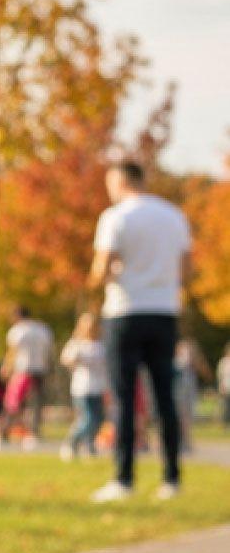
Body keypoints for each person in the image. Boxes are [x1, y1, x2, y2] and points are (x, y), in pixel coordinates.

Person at [88, 159, 192, 502]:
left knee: (124, 398)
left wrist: (102, 277)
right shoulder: (174, 216)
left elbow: (101, 270)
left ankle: (124, 479)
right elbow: (186, 269)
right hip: (164, 312)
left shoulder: (115, 217)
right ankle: (172, 478)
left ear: (119, 181)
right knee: (165, 397)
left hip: (125, 312)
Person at [0, 305, 53, 449]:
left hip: (22, 370)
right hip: (39, 370)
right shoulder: (42, 329)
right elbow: (48, 351)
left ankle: (2, 432)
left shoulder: (17, 331)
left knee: (13, 402)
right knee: (36, 404)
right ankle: (33, 433)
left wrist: (6, 367)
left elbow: (13, 351)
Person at [59, 312, 107, 461]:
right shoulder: (77, 344)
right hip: (82, 388)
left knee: (99, 419)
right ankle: (71, 443)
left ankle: (89, 446)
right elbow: (66, 360)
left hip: (99, 388)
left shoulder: (101, 345)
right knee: (88, 419)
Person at [218, 343, 230, 428]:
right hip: (226, 387)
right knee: (226, 407)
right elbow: (220, 375)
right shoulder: (224, 361)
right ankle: (225, 424)